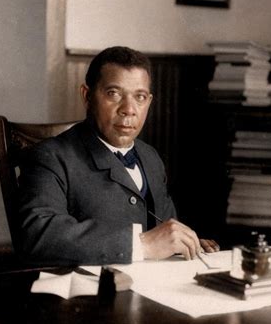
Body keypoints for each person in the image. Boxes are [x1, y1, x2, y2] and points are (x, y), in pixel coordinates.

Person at [17, 46, 219, 265]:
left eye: (139, 97)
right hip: (86, 294)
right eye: (114, 94)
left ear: (149, 102)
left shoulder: (150, 157)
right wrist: (142, 245)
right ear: (87, 96)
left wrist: (183, 242)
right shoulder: (51, 156)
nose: (129, 109)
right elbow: (38, 235)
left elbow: (163, 229)